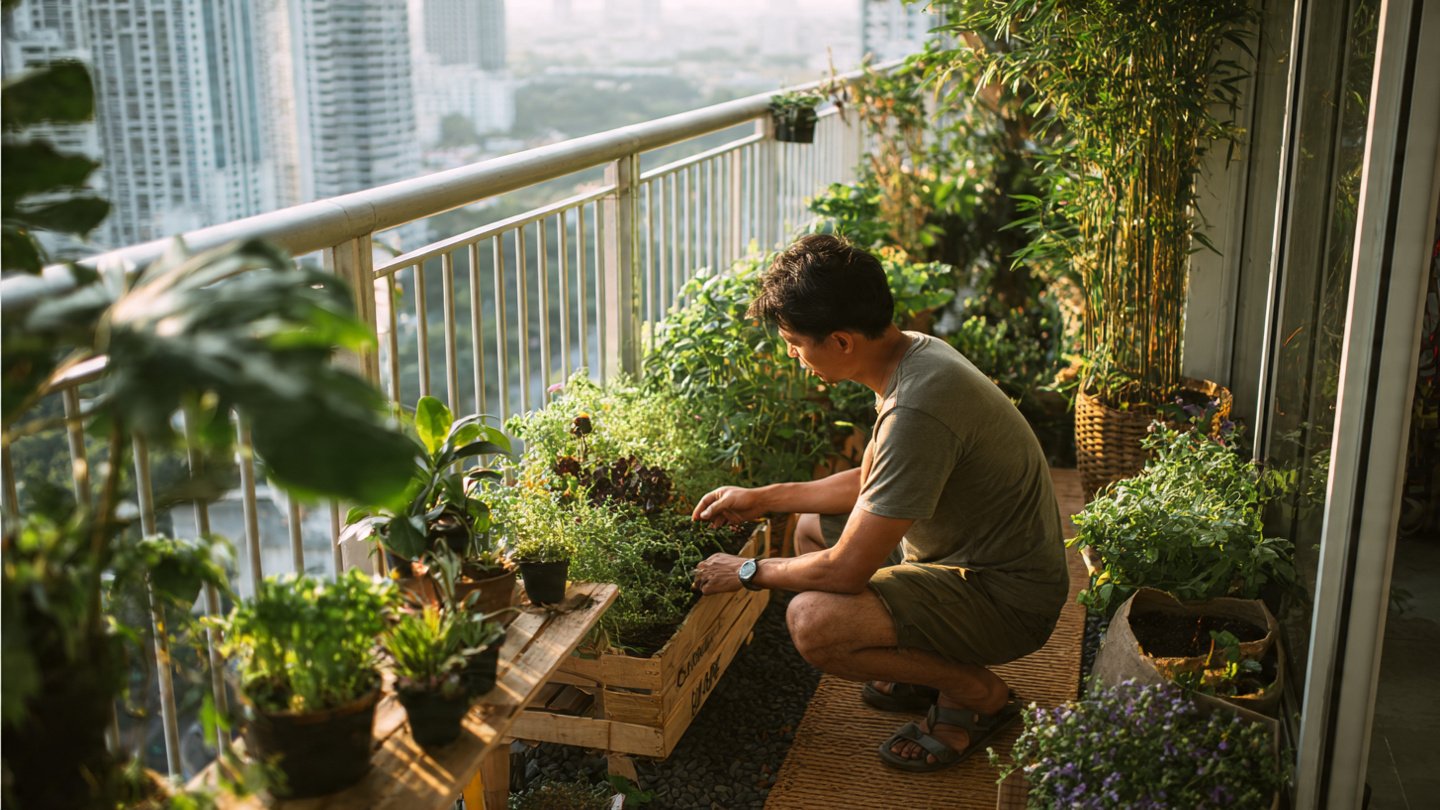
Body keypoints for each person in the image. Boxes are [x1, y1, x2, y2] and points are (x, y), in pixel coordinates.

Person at [690, 234, 1068, 772]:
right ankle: (920, 667)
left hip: (1005, 599)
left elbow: (845, 572)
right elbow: (871, 481)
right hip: (965, 560)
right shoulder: (910, 353)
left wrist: (749, 569)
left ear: (842, 341)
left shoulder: (917, 408)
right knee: (812, 528)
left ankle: (976, 694)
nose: (794, 356)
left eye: (796, 343)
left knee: (814, 620)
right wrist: (763, 499)